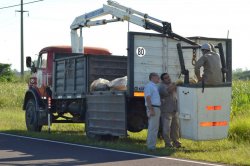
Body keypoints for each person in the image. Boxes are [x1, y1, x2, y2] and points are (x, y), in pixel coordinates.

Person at [159, 73, 181, 148]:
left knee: (175, 128)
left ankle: (176, 143)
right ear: (163, 80)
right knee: (166, 128)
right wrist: (176, 83)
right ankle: (168, 144)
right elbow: (168, 91)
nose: (168, 78)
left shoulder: (172, 84)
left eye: (168, 77)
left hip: (174, 110)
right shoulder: (161, 86)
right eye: (166, 78)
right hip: (166, 111)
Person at [144, 72, 161, 150]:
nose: (159, 79)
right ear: (152, 77)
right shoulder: (149, 86)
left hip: (156, 107)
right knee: (153, 128)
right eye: (157, 77)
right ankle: (151, 146)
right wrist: (151, 109)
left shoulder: (154, 86)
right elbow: (148, 98)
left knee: (154, 127)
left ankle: (151, 145)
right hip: (153, 108)